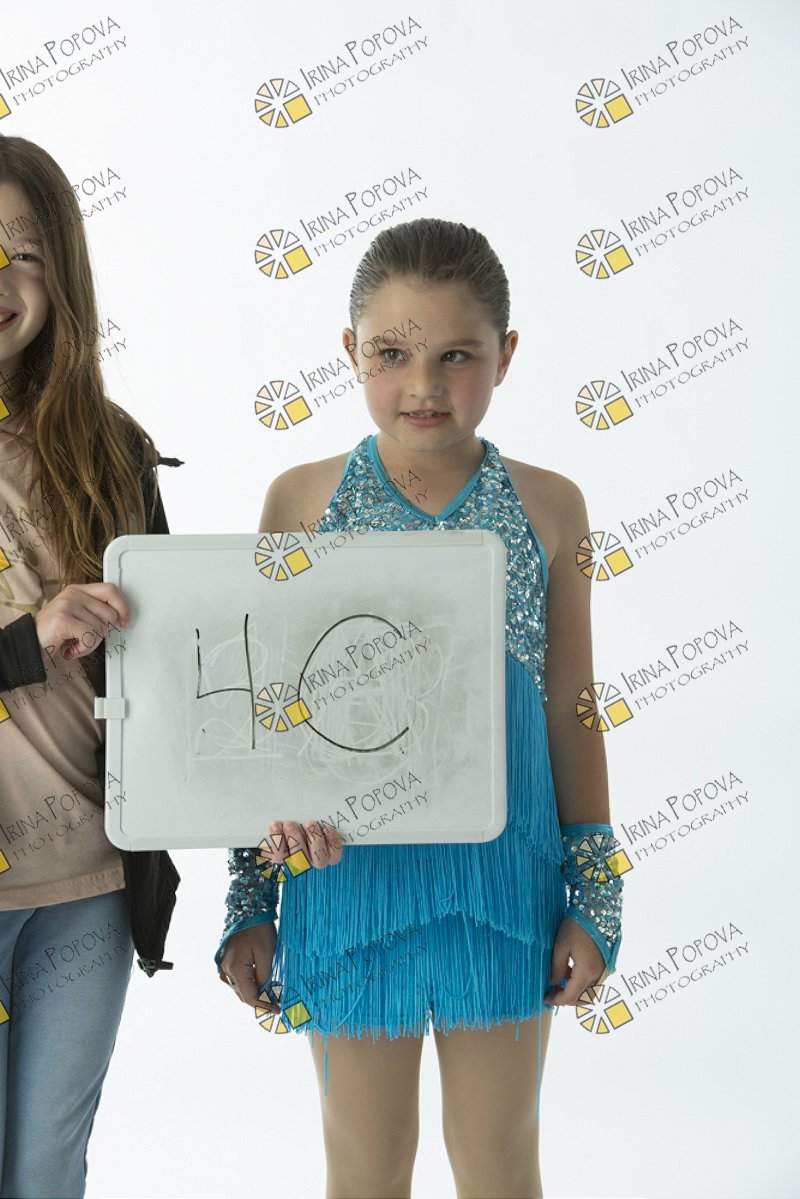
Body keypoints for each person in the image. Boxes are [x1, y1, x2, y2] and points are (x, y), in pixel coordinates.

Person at [217, 217, 625, 1199]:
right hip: (345, 880)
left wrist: (595, 890)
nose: (423, 385)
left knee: (499, 1162)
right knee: (364, 1167)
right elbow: (264, 718)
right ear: (349, 350)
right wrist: (250, 897)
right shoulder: (298, 500)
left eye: (457, 355)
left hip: (505, 884)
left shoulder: (550, 505)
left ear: (505, 355)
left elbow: (572, 707)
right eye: (392, 354)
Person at [0, 134, 180, 1199]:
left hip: (91, 883)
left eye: (24, 253)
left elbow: (182, 659)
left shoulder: (111, 447)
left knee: (44, 1170)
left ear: (61, 273)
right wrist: (30, 637)